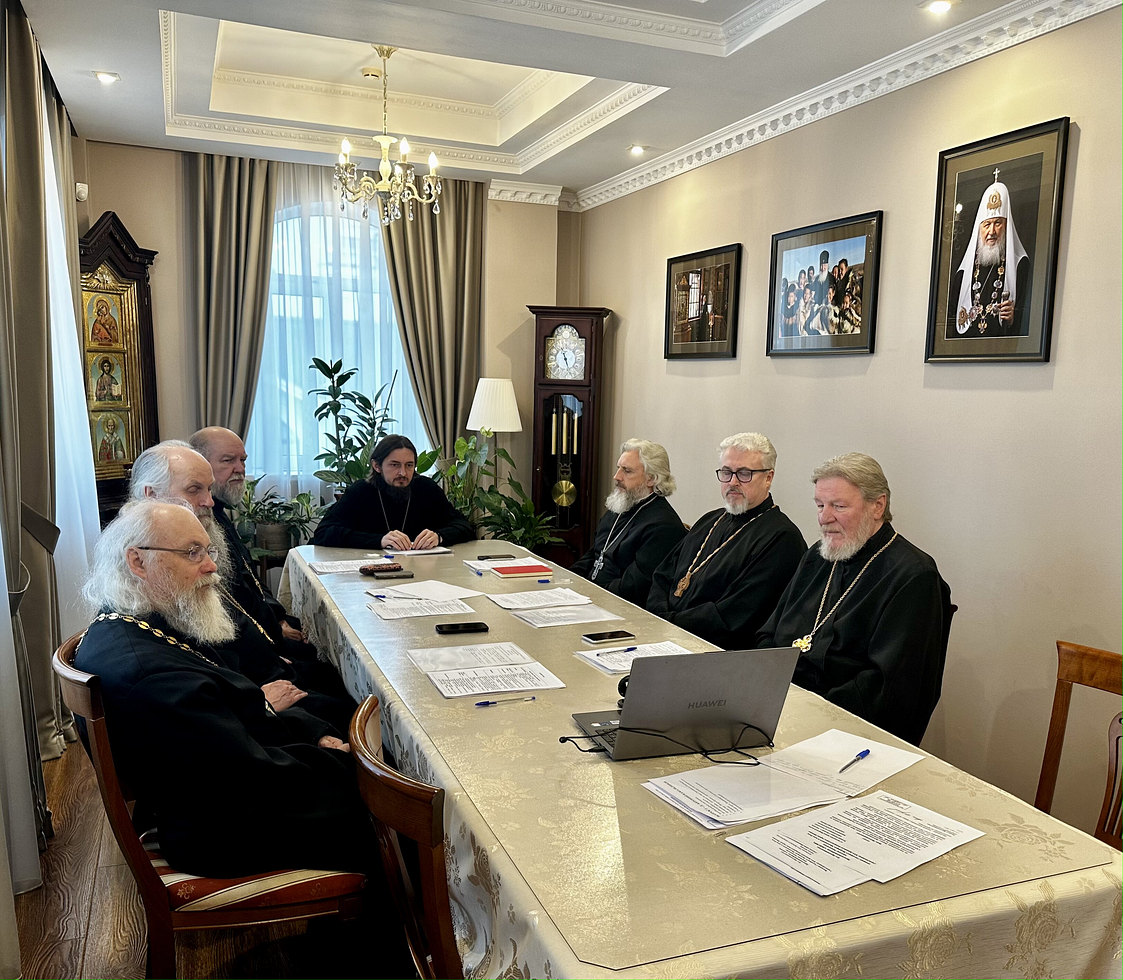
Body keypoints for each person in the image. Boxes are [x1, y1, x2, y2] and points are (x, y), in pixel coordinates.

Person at [75, 499, 375, 877]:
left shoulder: (138, 621)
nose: (211, 566)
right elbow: (250, 778)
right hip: (227, 832)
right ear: (137, 561)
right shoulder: (153, 677)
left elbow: (235, 706)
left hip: (228, 792)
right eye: (192, 553)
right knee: (396, 813)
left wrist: (313, 734)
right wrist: (350, 767)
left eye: (208, 551)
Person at [756, 453, 952, 745]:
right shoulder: (817, 557)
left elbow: (887, 690)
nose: (824, 518)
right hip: (777, 710)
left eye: (839, 506)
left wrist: (802, 710)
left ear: (878, 506)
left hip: (842, 733)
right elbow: (769, 634)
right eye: (820, 505)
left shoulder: (913, 576)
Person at [646, 433, 805, 649]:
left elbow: (735, 616)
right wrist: (657, 618)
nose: (733, 482)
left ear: (768, 477)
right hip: (665, 635)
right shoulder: (709, 520)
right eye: (726, 472)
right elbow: (663, 575)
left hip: (715, 652)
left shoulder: (783, 539)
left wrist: (669, 624)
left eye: (745, 474)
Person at [188, 426, 303, 646]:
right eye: (228, 460)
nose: (240, 469)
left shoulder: (218, 511)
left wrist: (278, 618)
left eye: (243, 460)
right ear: (199, 465)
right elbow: (230, 597)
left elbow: (249, 577)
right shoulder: (198, 520)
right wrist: (274, 627)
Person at [571, 439, 686, 604]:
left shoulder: (663, 526)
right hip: (590, 598)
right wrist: (567, 582)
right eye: (618, 468)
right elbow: (594, 556)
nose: (616, 476)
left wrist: (590, 596)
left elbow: (634, 588)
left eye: (627, 471)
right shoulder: (620, 507)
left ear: (652, 479)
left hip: (617, 607)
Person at [312, 434, 474, 550]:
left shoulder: (426, 489)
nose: (403, 472)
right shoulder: (361, 491)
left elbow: (464, 526)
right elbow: (324, 532)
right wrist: (379, 540)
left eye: (409, 465)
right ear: (377, 466)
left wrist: (439, 536)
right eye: (395, 465)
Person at [947, 171, 1031, 339]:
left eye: (998, 223)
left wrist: (1014, 318)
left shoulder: (1020, 266)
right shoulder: (963, 274)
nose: (991, 231)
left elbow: (1029, 322)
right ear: (979, 230)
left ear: (1006, 226)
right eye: (986, 225)